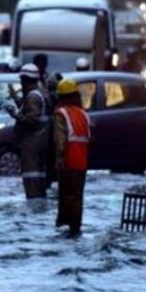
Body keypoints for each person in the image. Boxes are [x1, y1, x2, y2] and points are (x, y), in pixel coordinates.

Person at [5, 64, 50, 202]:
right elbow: (29, 109)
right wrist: (15, 97)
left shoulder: (33, 96)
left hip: (32, 144)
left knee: (32, 177)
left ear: (26, 80)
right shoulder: (40, 93)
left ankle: (34, 203)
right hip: (41, 142)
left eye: (22, 80)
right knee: (40, 177)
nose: (20, 83)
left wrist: (14, 114)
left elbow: (31, 119)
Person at [53, 79, 91, 236]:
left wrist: (60, 157)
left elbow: (60, 140)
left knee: (67, 195)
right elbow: (89, 138)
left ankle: (69, 229)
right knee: (77, 196)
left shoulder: (60, 114)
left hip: (68, 160)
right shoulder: (83, 114)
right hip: (82, 161)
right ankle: (76, 227)